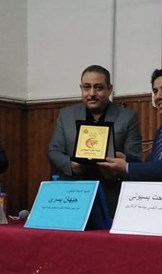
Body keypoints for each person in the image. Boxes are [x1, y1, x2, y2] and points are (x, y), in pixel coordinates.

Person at [47, 65, 142, 215]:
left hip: (110, 196)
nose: (92, 93)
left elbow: (134, 158)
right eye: (87, 87)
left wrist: (119, 167)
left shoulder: (127, 117)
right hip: (71, 196)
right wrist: (71, 166)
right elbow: (54, 151)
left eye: (98, 88)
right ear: (81, 88)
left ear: (109, 89)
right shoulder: (66, 115)